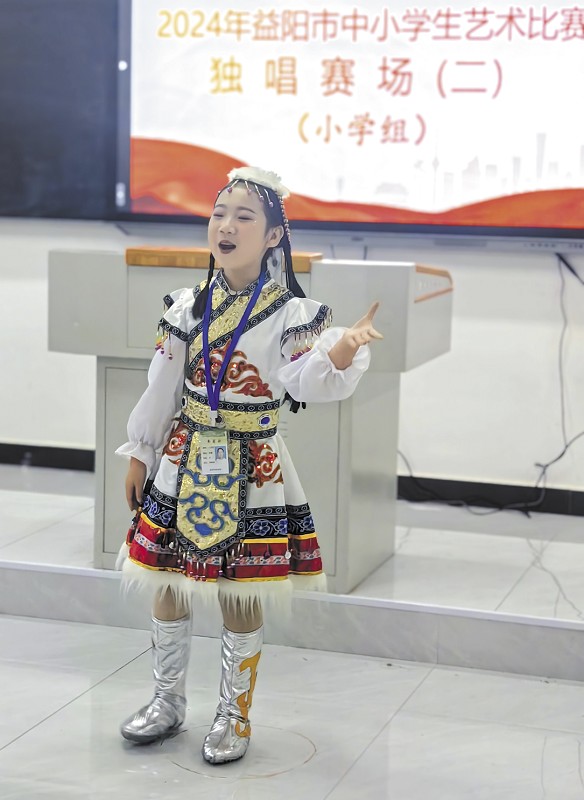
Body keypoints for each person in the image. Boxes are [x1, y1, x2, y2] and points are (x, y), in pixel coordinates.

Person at [115, 166, 382, 765]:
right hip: (183, 457)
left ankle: (233, 713)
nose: (226, 226)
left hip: (253, 465)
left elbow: (305, 379)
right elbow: (161, 388)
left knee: (242, 591)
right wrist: (140, 451)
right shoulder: (187, 306)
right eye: (219, 214)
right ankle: (166, 701)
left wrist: (341, 350)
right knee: (168, 580)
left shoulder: (290, 314)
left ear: (273, 236)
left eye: (244, 217)